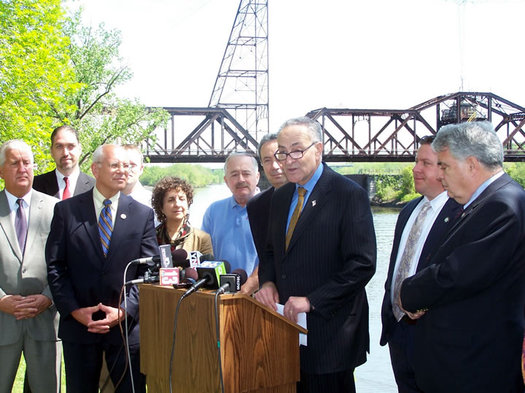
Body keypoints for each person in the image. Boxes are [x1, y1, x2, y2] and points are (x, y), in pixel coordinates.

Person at [400, 121, 525, 392]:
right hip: (462, 364)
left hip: (476, 369)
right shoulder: (485, 202)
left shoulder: (502, 205)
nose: (441, 175)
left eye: (444, 165)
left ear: (470, 164)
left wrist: (407, 292)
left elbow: (455, 274)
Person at [255, 117, 376, 393]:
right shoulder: (281, 196)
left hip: (330, 337)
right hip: (285, 330)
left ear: (318, 149)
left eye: (297, 150)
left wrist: (312, 301)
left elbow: (362, 265)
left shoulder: (348, 195)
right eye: (282, 152)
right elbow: (271, 252)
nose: (288, 160)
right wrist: (268, 282)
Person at [46, 144, 158, 393]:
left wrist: (124, 310)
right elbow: (55, 267)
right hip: (79, 328)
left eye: (126, 165)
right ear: (95, 169)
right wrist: (74, 311)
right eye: (114, 165)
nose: (123, 171)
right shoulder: (66, 211)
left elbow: (148, 273)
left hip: (125, 330)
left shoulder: (142, 215)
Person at [379, 135, 461, 393]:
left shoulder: (461, 214)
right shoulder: (408, 210)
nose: (415, 168)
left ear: (444, 168)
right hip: (398, 331)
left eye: (425, 163)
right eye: (416, 161)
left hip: (434, 338)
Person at [0, 140, 61, 393]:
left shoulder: (56, 208)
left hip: (44, 321)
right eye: (14, 163)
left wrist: (48, 298)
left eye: (27, 163)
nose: (22, 168)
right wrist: (1, 300)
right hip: (2, 320)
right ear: (1, 170)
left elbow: (66, 264)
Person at [201, 152, 260, 286]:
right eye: (234, 175)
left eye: (246, 173)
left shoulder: (272, 208)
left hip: (259, 295)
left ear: (257, 177)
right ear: (226, 180)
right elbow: (204, 253)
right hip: (220, 292)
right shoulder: (213, 211)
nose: (240, 180)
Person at [246, 133, 287, 294]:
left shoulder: (309, 198)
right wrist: (267, 282)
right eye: (267, 160)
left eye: (279, 157)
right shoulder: (257, 206)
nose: (274, 166)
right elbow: (266, 257)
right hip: (275, 303)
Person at [152, 176, 213, 255]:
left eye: (181, 199)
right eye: (171, 200)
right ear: (161, 207)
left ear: (188, 203)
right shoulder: (152, 237)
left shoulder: (202, 238)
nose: (177, 204)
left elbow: (208, 265)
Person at [33, 125, 95, 199]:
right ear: (51, 151)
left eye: (71, 146)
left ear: (80, 149)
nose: (65, 153)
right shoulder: (34, 186)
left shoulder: (96, 188)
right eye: (59, 146)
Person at [121, 144, 153, 208]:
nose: (128, 169)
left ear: (141, 169)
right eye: (124, 165)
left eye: (132, 165)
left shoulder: (153, 202)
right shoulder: (105, 201)